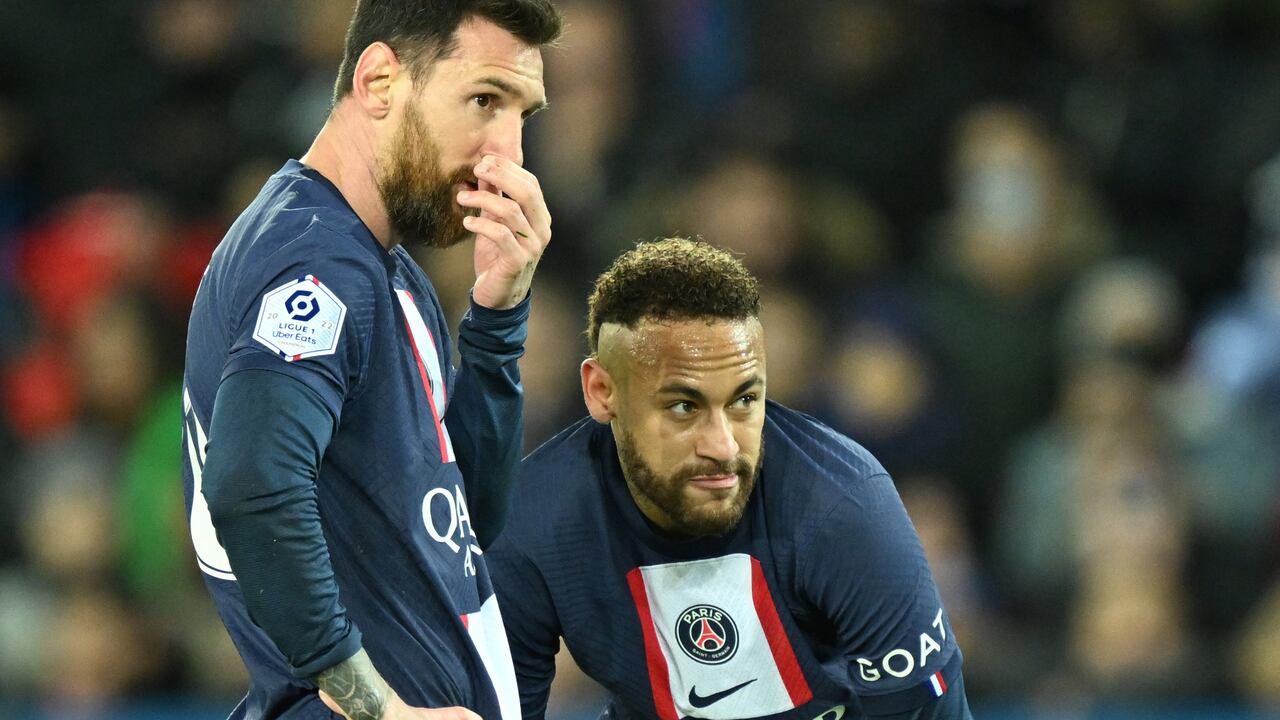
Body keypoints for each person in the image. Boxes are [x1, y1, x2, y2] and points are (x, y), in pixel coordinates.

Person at [180, 1, 562, 719]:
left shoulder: (375, 263)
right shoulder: (317, 262)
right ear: (380, 79)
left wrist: (497, 320)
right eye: (485, 99)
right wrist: (379, 709)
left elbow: (463, 521)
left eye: (523, 116)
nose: (507, 151)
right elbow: (253, 484)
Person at [489, 239, 973, 720]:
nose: (723, 446)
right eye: (683, 406)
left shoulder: (844, 507)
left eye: (744, 401)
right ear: (601, 392)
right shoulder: (532, 524)